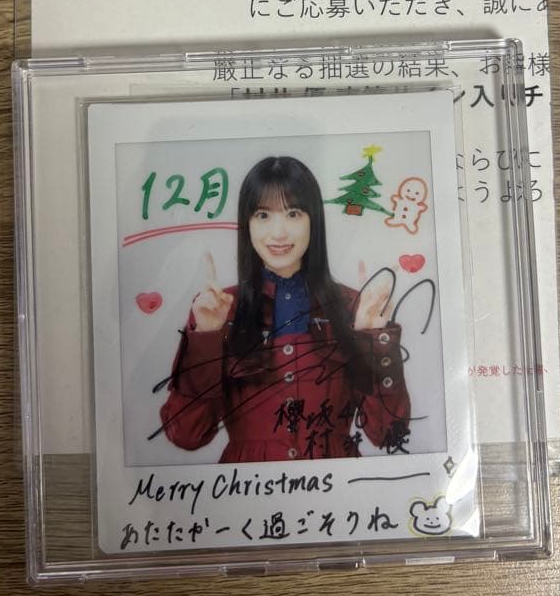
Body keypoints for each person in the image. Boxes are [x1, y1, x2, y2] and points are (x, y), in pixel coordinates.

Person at [160, 156, 411, 463]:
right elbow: (186, 435)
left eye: (293, 214)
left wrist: (373, 337)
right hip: (249, 487)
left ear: (313, 220)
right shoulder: (217, 310)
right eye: (263, 215)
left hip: (335, 487)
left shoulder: (353, 307)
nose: (278, 233)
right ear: (247, 224)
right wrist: (206, 338)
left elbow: (388, 432)